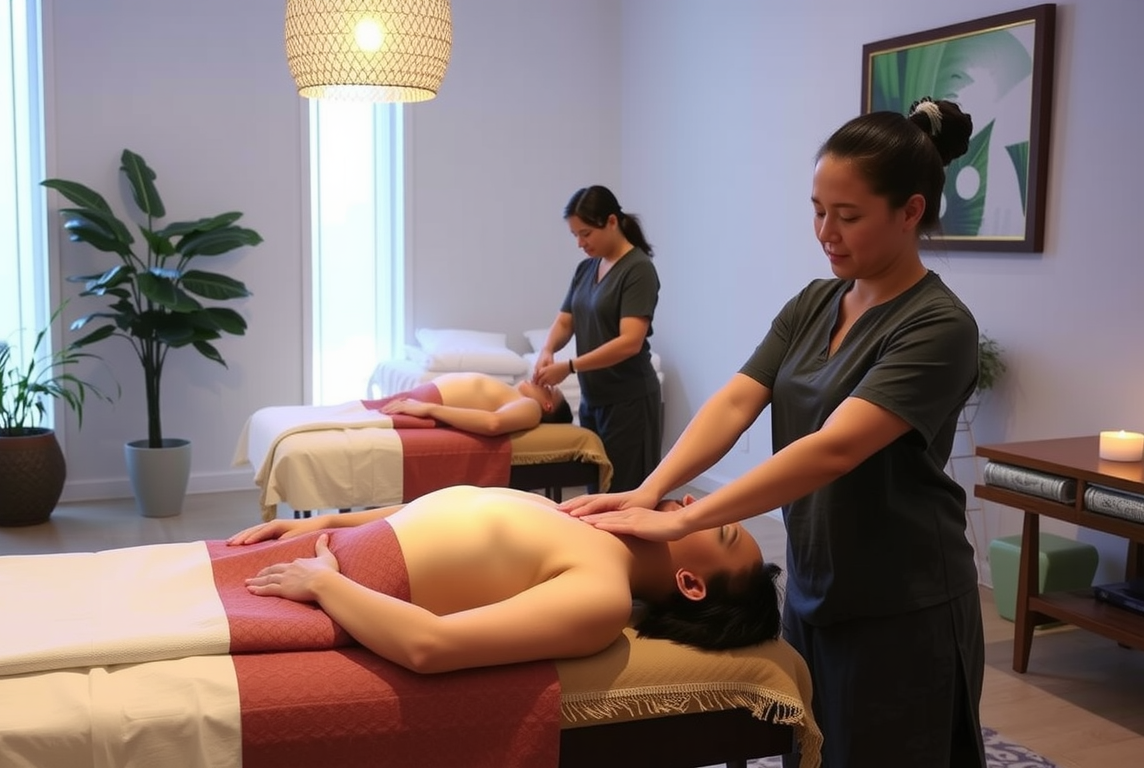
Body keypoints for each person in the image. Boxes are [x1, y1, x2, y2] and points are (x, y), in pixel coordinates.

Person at [560, 98, 985, 768]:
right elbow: (736, 401)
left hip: (902, 600)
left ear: (910, 211)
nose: (825, 232)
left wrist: (682, 522)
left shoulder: (938, 325)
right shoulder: (815, 302)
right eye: (817, 210)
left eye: (847, 216)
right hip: (815, 584)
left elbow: (835, 448)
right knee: (811, 749)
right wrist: (650, 490)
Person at [226, 484, 781, 674]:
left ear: (691, 584)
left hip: (324, 585)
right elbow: (442, 506)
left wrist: (325, 584)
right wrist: (322, 522)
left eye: (719, 530)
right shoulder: (584, 517)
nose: (694, 502)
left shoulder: (603, 594)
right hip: (322, 551)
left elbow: (429, 646)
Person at [532, 185, 662, 492]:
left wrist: (570, 366)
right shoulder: (586, 268)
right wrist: (548, 349)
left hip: (629, 403)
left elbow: (630, 342)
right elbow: (566, 320)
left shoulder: (638, 269)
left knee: (624, 495)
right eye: (575, 235)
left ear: (612, 222)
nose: (580, 243)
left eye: (586, 233)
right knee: (597, 494)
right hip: (594, 400)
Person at [379, 371, 572, 435]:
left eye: (549, 389)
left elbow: (493, 423)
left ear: (547, 405)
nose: (540, 381)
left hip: (423, 406)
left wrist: (430, 408)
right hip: (416, 400)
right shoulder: (513, 395)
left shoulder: (531, 406)